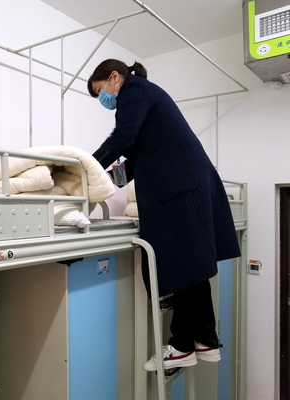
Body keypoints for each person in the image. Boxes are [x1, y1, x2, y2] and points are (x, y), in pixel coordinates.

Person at [87, 59, 241, 371]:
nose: (104, 99)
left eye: (101, 91)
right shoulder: (144, 97)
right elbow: (134, 158)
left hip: (179, 183)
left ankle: (182, 345)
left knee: (182, 262)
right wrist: (105, 180)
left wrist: (86, 167)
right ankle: (205, 339)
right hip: (183, 180)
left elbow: (122, 137)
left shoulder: (135, 90)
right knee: (190, 263)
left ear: (114, 77)